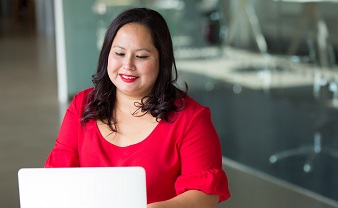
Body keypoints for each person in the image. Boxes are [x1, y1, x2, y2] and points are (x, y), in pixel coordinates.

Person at [45, 7, 230, 207]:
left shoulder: (191, 119)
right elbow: (58, 176)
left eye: (141, 56)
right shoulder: (83, 104)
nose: (128, 65)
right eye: (119, 53)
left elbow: (204, 195)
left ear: (162, 60)